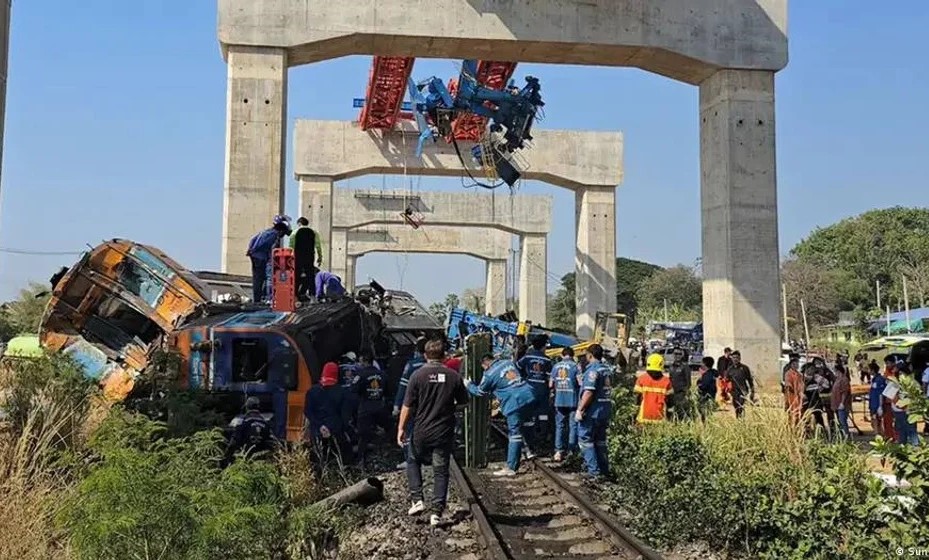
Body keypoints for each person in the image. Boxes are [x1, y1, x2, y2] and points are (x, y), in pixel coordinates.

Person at [398, 339, 469, 526]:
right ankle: (436, 512)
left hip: (421, 430)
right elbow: (463, 403)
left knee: (413, 460)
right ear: (444, 355)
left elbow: (407, 405)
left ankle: (417, 499)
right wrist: (449, 406)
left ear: (425, 355)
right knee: (440, 470)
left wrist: (401, 428)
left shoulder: (417, 376)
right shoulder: (453, 376)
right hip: (443, 431)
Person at [465, 353, 537, 477]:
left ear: (485, 364)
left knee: (514, 434)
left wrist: (468, 385)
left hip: (514, 401)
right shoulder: (508, 362)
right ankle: (529, 450)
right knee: (526, 424)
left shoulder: (489, 374)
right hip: (529, 394)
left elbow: (480, 392)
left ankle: (511, 467)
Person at [575, 344, 613, 479]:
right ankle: (604, 470)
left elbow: (589, 392)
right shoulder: (606, 369)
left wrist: (580, 409)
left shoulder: (593, 370)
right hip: (605, 410)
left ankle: (594, 472)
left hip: (593, 412)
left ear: (590, 355)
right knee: (600, 441)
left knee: (585, 440)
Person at [304, 362, 350, 462]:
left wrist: (321, 426)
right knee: (339, 459)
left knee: (317, 460)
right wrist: (332, 428)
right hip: (336, 432)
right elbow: (345, 416)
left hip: (317, 430)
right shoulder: (342, 392)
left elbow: (308, 412)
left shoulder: (312, 391)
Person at [516, 336, 553, 453]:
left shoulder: (527, 357)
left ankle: (529, 438)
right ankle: (542, 435)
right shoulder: (547, 360)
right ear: (543, 347)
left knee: (528, 414)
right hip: (543, 390)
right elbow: (549, 376)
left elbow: (517, 367)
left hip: (529, 388)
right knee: (543, 414)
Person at [353, 351, 390, 466]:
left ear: (364, 360)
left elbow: (353, 389)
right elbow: (388, 391)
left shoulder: (361, 375)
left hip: (365, 408)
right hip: (380, 406)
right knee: (386, 430)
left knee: (363, 435)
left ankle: (360, 460)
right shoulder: (382, 374)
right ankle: (385, 453)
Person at [245, 215, 291, 303]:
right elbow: (270, 248)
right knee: (262, 278)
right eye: (283, 233)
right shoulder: (273, 235)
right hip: (260, 257)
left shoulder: (267, 231)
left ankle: (258, 299)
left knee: (259, 278)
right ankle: (262, 299)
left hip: (256, 256)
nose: (282, 236)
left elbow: (253, 240)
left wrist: (251, 250)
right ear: (281, 230)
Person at [550, 347, 581, 461]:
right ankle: (571, 451)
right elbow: (580, 382)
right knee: (573, 425)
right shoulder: (575, 366)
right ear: (572, 356)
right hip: (572, 400)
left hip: (559, 400)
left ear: (562, 355)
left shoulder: (555, 366)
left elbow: (550, 384)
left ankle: (558, 451)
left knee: (559, 425)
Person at [225, 396, 273, 464]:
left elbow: (234, 441)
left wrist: (227, 455)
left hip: (243, 460)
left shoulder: (242, 421)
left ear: (247, 407)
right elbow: (271, 443)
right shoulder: (266, 424)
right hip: (261, 462)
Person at [883, 366, 919, 445]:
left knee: (911, 430)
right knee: (902, 430)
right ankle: (903, 449)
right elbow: (888, 398)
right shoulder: (894, 383)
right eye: (900, 374)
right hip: (899, 411)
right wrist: (901, 405)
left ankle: (915, 449)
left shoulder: (912, 383)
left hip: (910, 410)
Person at [289, 217, 324, 300]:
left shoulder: (295, 233)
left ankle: (295, 296)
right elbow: (318, 246)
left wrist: (290, 258)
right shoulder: (314, 232)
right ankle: (313, 296)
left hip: (298, 257)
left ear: (299, 224)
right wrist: (320, 257)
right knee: (310, 276)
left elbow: (291, 246)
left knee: (296, 275)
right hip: (310, 256)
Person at [634, 354, 673, 425]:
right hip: (660, 419)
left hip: (643, 418)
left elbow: (637, 399)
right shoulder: (666, 381)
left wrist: (634, 416)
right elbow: (670, 401)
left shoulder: (641, 379)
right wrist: (670, 416)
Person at [727, 351, 755, 418]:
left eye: (737, 357)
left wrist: (752, 391)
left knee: (740, 405)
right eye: (733, 357)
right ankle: (738, 418)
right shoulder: (730, 369)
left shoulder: (745, 368)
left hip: (743, 390)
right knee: (736, 406)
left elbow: (749, 380)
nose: (735, 359)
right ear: (732, 359)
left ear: (740, 358)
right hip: (734, 391)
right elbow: (727, 381)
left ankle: (740, 418)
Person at [667, 347, 692, 420]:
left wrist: (685, 393)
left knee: (681, 413)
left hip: (681, 394)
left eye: (679, 354)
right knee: (671, 413)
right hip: (672, 393)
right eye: (676, 354)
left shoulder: (685, 366)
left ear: (682, 355)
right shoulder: (671, 367)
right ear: (673, 355)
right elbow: (670, 379)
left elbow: (688, 382)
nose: (677, 355)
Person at [783, 353, 804, 427]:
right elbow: (788, 384)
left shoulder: (799, 374)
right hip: (791, 396)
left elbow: (801, 384)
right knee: (791, 414)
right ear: (791, 364)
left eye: (797, 364)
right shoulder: (788, 373)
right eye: (794, 364)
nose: (796, 365)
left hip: (799, 397)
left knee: (799, 413)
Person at [831, 364, 852, 439]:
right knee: (840, 421)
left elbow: (844, 392)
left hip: (842, 404)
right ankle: (843, 436)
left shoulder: (844, 379)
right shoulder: (837, 379)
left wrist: (842, 403)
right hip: (837, 403)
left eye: (835, 371)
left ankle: (846, 436)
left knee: (843, 421)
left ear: (838, 371)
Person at [696, 356, 718, 421]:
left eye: (702, 363)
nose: (701, 364)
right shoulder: (713, 372)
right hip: (712, 395)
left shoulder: (707, 375)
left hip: (705, 396)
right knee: (709, 413)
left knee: (704, 413)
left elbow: (703, 386)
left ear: (705, 364)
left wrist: (699, 382)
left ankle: (705, 427)